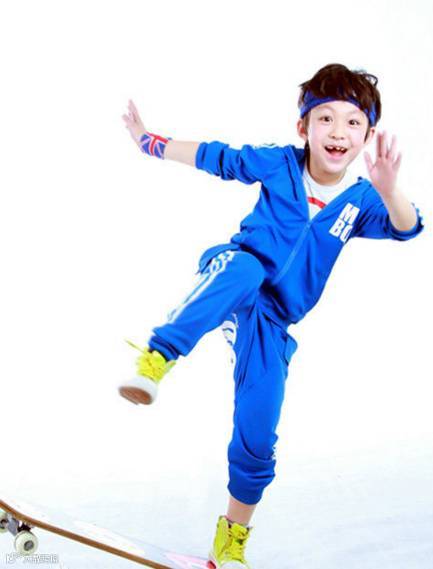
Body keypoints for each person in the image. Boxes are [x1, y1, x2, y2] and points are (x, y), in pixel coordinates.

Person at [119, 63, 425, 569]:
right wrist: (148, 142)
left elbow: (407, 227)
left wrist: (390, 188)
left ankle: (230, 543)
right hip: (235, 275)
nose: (338, 131)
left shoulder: (362, 201)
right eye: (325, 118)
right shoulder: (279, 163)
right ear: (304, 127)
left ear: (368, 136)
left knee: (258, 433)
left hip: (272, 322)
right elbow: (216, 156)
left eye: (353, 122)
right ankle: (156, 358)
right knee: (242, 270)